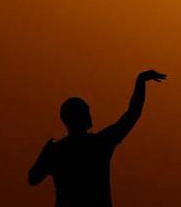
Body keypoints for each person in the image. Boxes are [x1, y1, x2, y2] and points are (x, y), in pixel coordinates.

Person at [28, 70, 168, 206]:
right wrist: (140, 81)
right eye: (86, 111)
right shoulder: (99, 144)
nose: (90, 114)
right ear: (82, 116)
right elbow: (132, 114)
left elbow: (33, 178)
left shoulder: (57, 150)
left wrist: (44, 155)